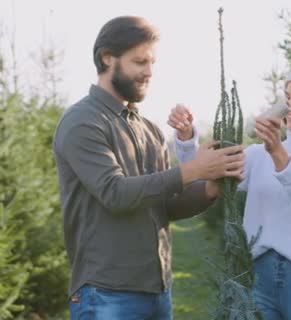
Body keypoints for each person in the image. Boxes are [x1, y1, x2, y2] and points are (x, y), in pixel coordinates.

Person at [53, 16, 244, 319]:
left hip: (158, 292)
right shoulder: (82, 121)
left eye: (153, 62)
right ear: (107, 58)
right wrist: (193, 169)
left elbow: (165, 204)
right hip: (105, 294)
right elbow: (115, 193)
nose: (149, 72)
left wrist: (209, 183)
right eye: (140, 62)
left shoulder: (150, 129)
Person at [171, 47, 291, 320]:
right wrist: (187, 137)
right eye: (288, 98)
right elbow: (206, 174)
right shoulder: (258, 155)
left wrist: (278, 153)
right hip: (259, 280)